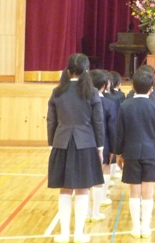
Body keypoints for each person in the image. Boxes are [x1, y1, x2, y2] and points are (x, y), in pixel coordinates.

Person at [47, 53, 104, 243]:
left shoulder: (57, 91)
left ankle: (64, 234)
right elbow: (98, 122)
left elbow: (51, 121)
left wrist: (52, 144)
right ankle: (79, 234)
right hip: (86, 144)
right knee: (83, 189)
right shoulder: (91, 92)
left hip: (61, 142)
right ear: (87, 71)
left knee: (64, 190)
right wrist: (100, 146)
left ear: (68, 70)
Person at [115, 69, 155, 239]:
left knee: (134, 192)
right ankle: (146, 227)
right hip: (151, 152)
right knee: (148, 192)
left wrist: (118, 152)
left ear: (133, 87)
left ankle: (136, 228)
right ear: (151, 88)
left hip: (130, 153)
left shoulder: (125, 106)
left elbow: (119, 132)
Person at [88, 69, 118, 222]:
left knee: (85, 181)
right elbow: (112, 129)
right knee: (100, 178)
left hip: (85, 144)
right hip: (103, 144)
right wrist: (113, 149)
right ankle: (95, 211)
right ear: (105, 85)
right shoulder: (109, 104)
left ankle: (86, 212)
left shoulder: (83, 101)